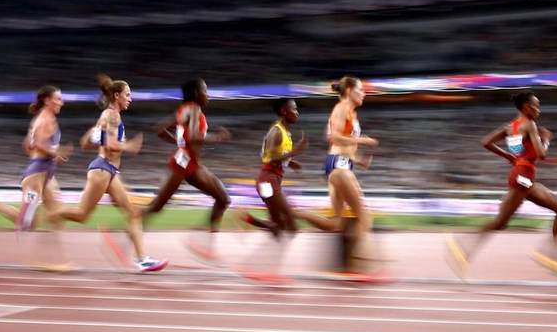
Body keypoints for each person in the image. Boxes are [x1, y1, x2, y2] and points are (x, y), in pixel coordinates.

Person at [445, 92, 557, 281]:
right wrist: (547, 138)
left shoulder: (510, 127)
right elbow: (542, 155)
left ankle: (554, 258)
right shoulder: (530, 125)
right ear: (526, 106)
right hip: (523, 177)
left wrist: (508, 156)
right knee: (500, 222)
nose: (538, 110)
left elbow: (486, 142)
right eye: (536, 106)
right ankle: (460, 245)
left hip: (522, 176)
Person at [50, 75, 167, 273]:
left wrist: (99, 134)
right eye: (127, 95)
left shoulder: (107, 116)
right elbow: (109, 144)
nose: (130, 99)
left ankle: (143, 259)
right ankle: (52, 212)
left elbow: (86, 143)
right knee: (81, 215)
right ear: (116, 95)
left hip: (109, 171)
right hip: (102, 170)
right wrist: (129, 146)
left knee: (133, 212)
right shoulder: (112, 116)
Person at [0, 85, 72, 270]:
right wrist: (55, 154)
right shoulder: (43, 121)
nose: (61, 102)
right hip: (37, 175)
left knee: (57, 215)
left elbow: (27, 145)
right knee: (27, 224)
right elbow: (37, 145)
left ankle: (54, 260)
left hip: (46, 173)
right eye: (58, 99)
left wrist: (51, 154)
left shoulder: (42, 120)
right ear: (47, 100)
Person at [238, 98, 340, 283]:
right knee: (291, 222)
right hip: (267, 182)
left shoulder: (285, 132)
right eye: (294, 109)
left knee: (280, 227)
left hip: (270, 181)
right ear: (284, 111)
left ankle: (251, 230)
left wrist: (291, 163)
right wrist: (294, 154)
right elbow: (269, 158)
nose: (297, 113)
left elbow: (269, 154)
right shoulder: (276, 132)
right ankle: (264, 268)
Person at [140, 79, 232, 264]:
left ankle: (207, 247)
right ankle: (126, 232)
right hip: (183, 163)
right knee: (157, 206)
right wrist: (218, 137)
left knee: (223, 199)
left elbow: (159, 130)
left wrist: (179, 142)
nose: (208, 94)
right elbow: (192, 137)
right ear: (197, 93)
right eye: (205, 90)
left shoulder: (183, 109)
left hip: (191, 163)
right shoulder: (194, 109)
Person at [323, 76, 387, 278]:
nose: (364, 93)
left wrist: (358, 160)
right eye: (360, 89)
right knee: (364, 217)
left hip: (340, 163)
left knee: (337, 224)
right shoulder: (342, 107)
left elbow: (338, 142)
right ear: (349, 91)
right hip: (339, 165)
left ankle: (291, 215)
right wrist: (363, 140)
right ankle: (359, 267)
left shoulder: (349, 112)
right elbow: (334, 137)